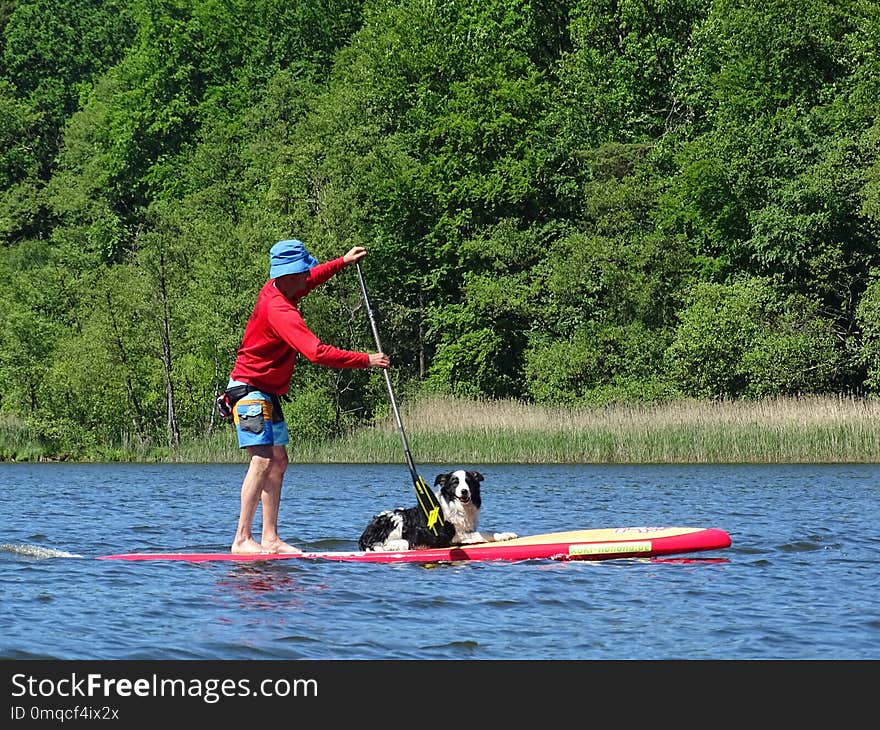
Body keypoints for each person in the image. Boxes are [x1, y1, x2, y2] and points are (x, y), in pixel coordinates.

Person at [225, 239, 390, 554]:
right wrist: (365, 360)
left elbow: (312, 280)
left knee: (279, 462)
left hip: (268, 393)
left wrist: (342, 261)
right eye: (302, 271)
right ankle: (242, 539)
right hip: (248, 391)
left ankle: (270, 538)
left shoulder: (284, 288)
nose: (307, 276)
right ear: (288, 275)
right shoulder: (279, 309)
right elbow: (315, 352)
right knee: (261, 460)